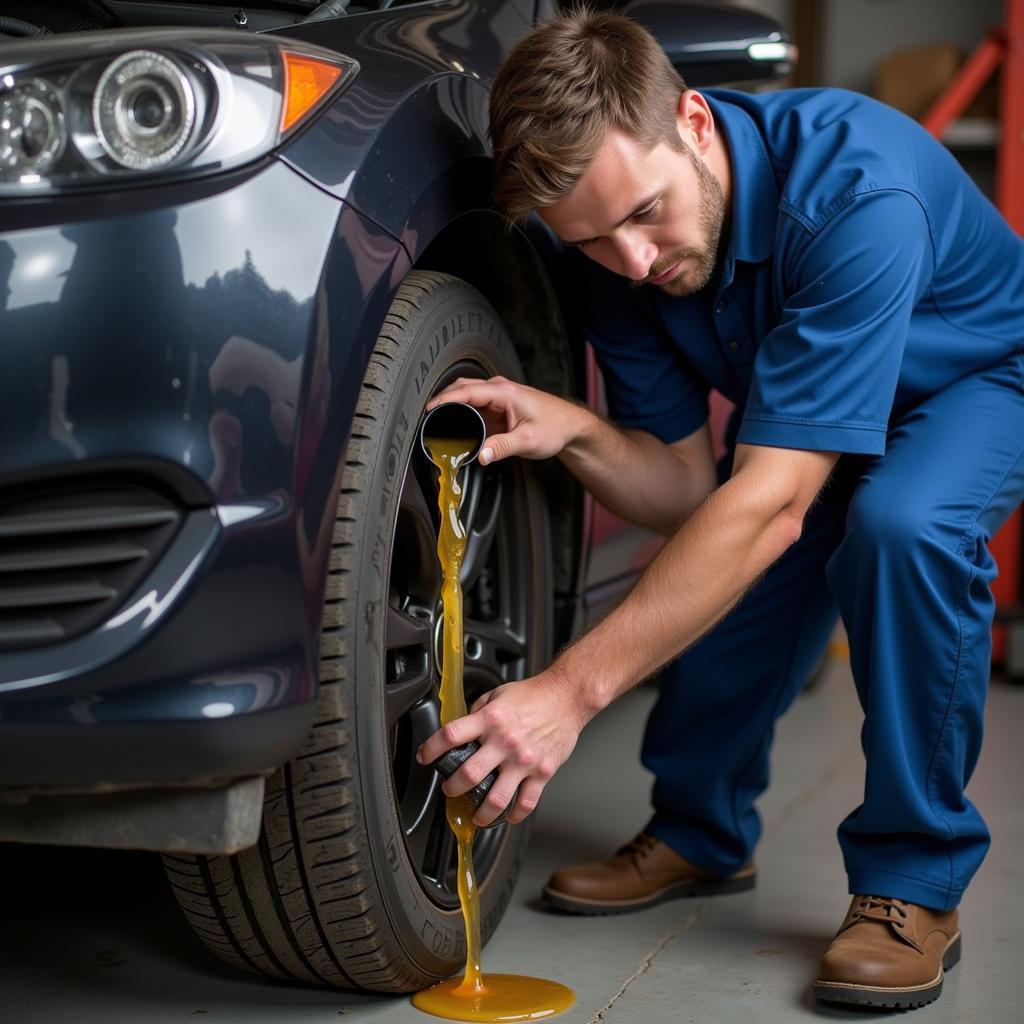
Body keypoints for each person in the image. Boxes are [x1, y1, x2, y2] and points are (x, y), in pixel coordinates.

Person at [416, 7, 1024, 1009]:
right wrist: (571, 427)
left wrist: (567, 695)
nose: (636, 262)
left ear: (693, 122)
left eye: (644, 214)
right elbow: (685, 491)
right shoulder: (613, 258)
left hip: (974, 383)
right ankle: (698, 833)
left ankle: (912, 883)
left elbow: (773, 503)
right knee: (729, 556)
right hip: (809, 421)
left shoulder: (851, 195)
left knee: (899, 525)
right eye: (597, 241)